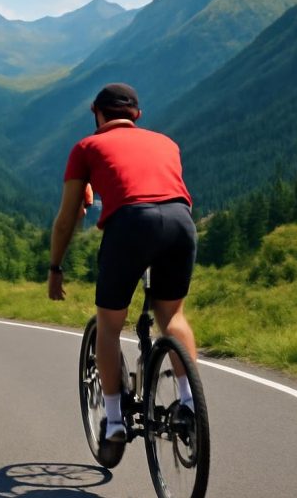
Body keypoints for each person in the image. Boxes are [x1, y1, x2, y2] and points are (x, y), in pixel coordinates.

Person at [47, 83, 199, 443]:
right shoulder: (167, 143)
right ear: (137, 116)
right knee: (172, 315)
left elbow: (67, 218)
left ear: (95, 113)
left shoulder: (86, 147)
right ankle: (190, 402)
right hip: (181, 221)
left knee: (110, 325)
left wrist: (55, 267)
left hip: (130, 225)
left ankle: (114, 420)